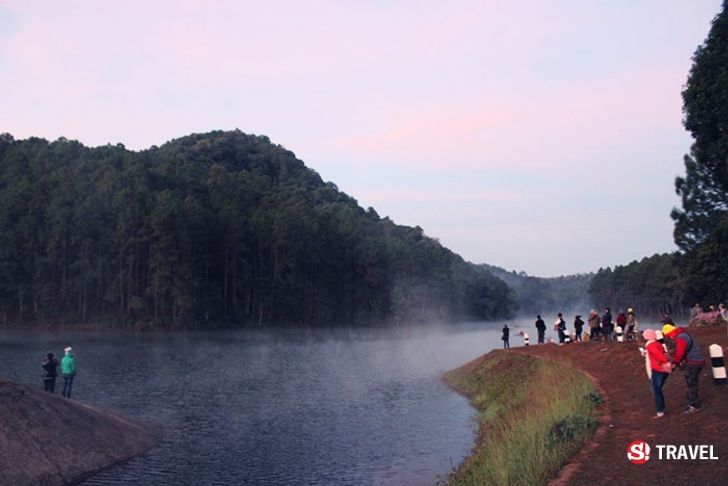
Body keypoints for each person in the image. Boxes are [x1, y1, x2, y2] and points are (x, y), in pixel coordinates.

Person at [662, 324, 705, 413]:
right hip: (697, 361)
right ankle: (692, 403)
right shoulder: (684, 334)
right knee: (692, 383)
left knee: (691, 383)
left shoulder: (681, 338)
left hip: (693, 362)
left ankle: (693, 405)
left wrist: (674, 363)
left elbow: (680, 353)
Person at [642, 329, 671, 418]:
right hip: (663, 370)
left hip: (658, 370)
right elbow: (662, 353)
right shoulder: (657, 344)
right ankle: (660, 409)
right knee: (657, 389)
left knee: (656, 391)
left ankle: (660, 411)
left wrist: (665, 362)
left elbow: (659, 355)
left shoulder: (650, 346)